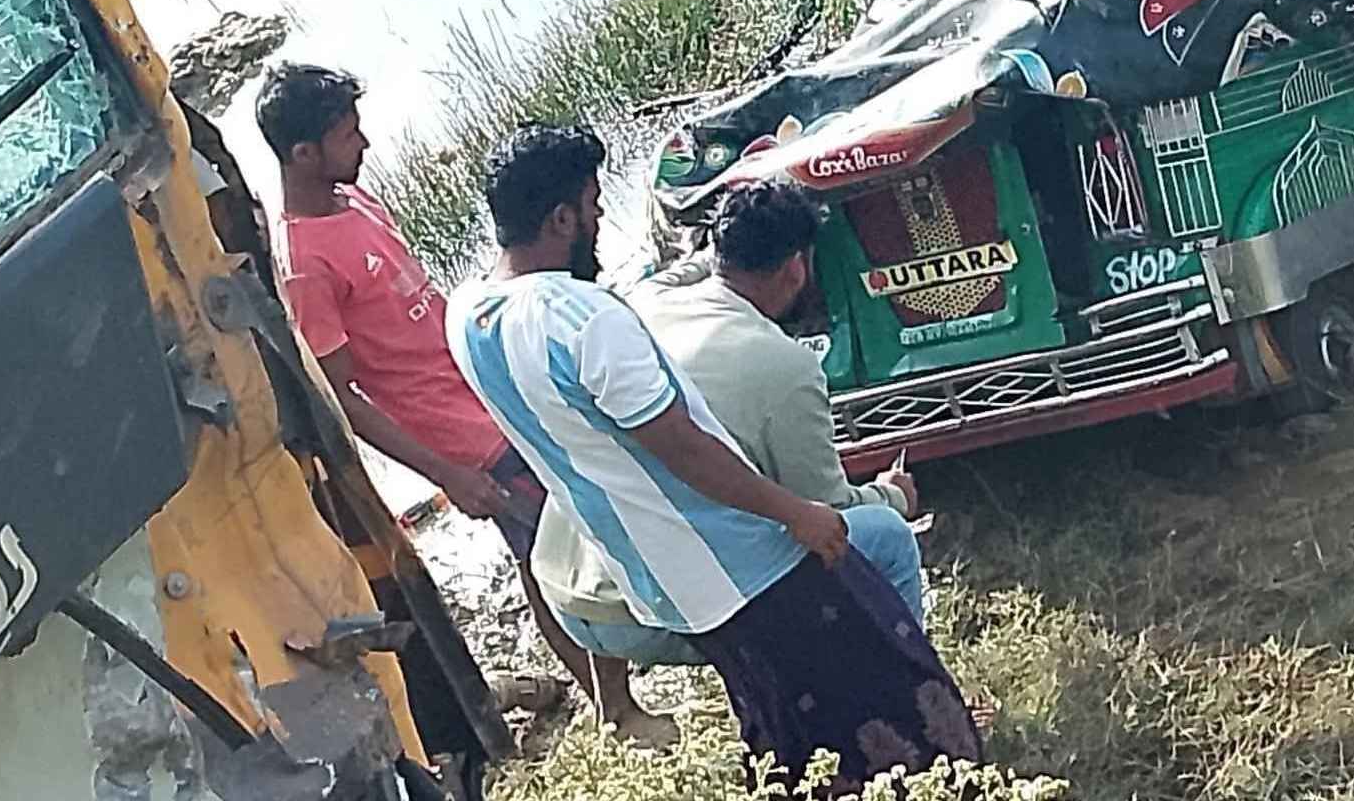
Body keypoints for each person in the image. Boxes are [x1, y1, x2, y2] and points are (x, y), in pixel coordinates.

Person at [446, 125, 980, 789]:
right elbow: (683, 450)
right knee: (866, 686)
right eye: (592, 206)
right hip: (726, 570)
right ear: (561, 219)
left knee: (777, 711)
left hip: (627, 574)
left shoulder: (468, 313)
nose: (601, 218)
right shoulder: (586, 318)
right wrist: (797, 514)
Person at [252, 64, 674, 747]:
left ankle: (622, 682)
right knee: (553, 563)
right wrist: (447, 475)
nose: (365, 144)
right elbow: (343, 400)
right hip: (464, 439)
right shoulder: (304, 264)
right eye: (347, 135)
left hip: (493, 389)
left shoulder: (353, 201)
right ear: (303, 154)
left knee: (583, 536)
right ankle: (618, 710)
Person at [530, 179, 925, 668]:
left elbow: (687, 271)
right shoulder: (787, 367)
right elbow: (825, 514)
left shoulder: (643, 300)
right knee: (885, 535)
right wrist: (892, 495)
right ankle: (912, 691)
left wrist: (731, 235)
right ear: (797, 268)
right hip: (650, 611)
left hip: (570, 592)